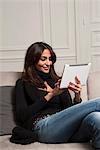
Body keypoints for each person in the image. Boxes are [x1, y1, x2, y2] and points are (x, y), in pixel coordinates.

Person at [10, 42, 100, 149]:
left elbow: (68, 110)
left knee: (96, 117)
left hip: (67, 130)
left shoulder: (58, 81)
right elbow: (22, 116)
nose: (48, 63)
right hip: (44, 128)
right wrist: (51, 94)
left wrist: (77, 95)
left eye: (50, 59)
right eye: (43, 59)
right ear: (33, 60)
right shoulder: (23, 83)